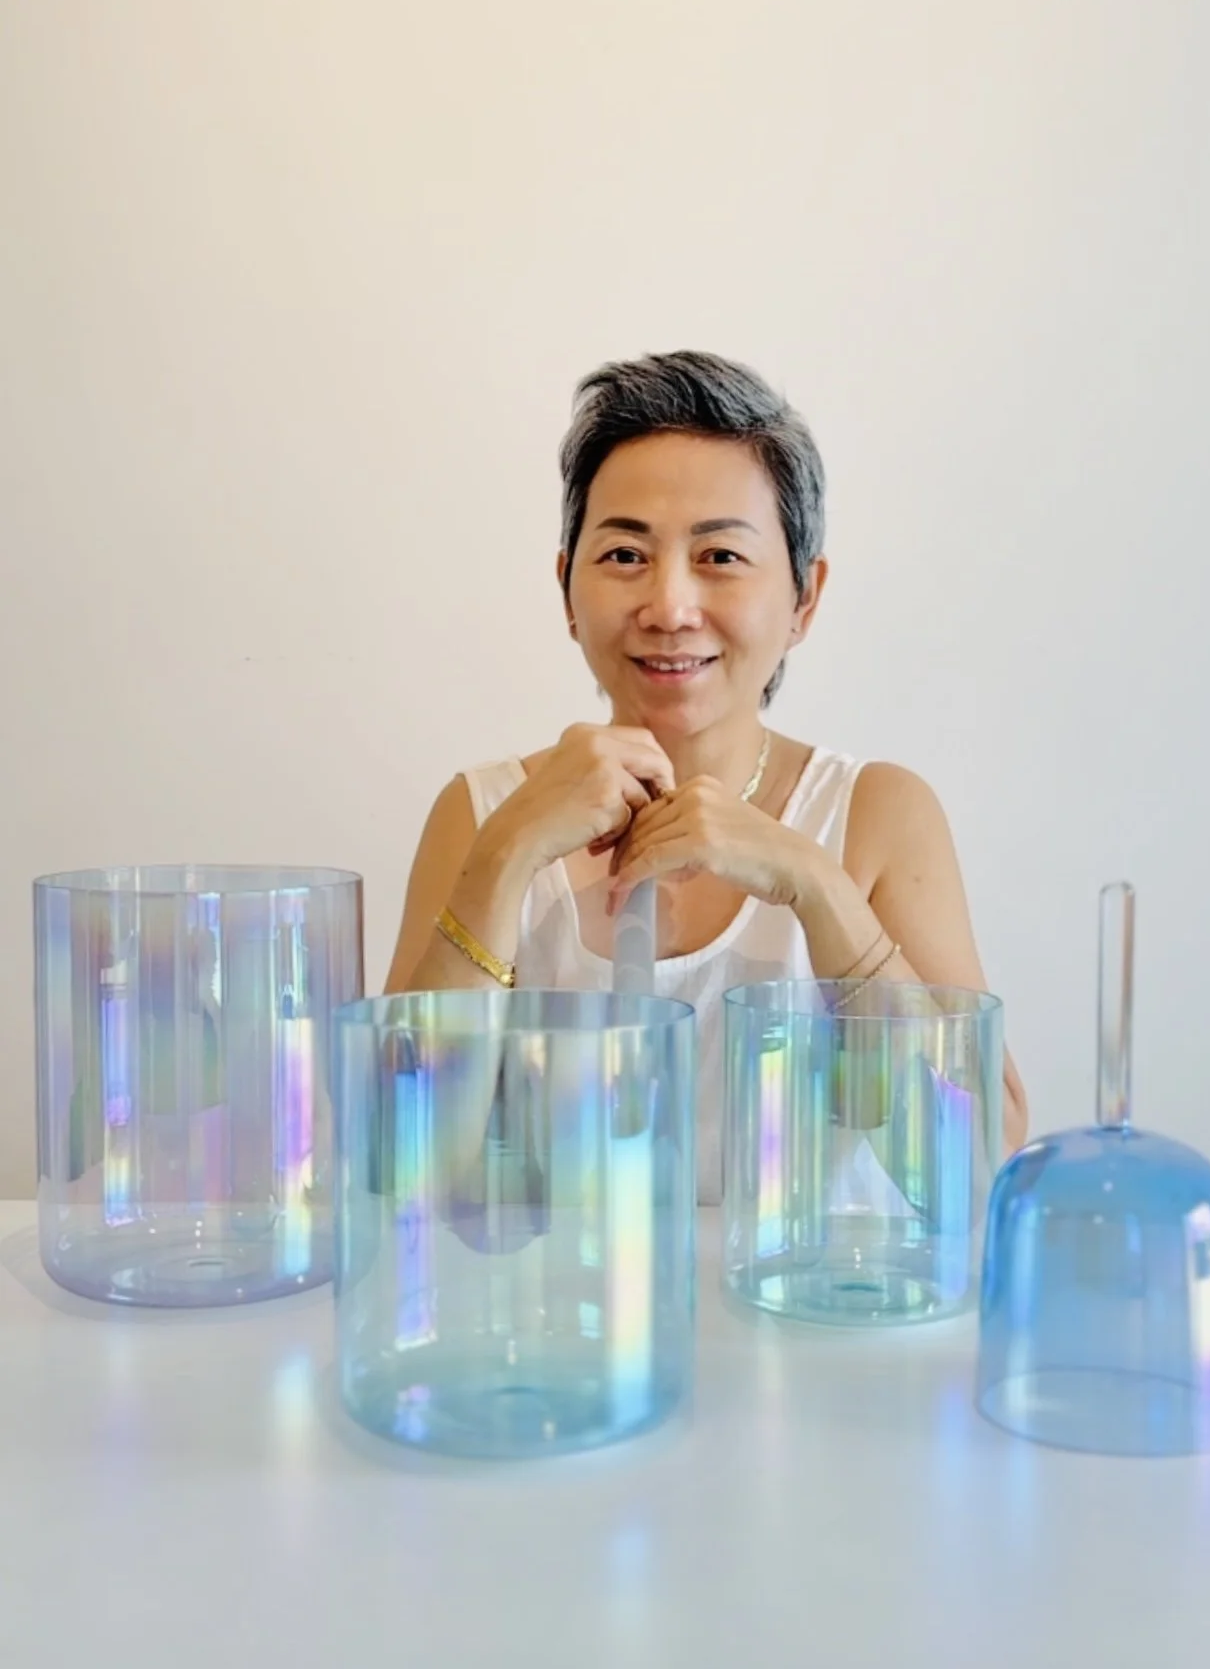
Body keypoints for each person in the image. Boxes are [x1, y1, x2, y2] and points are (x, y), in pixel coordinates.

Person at [387, 350, 1028, 1200]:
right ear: (567, 586)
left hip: (812, 1292)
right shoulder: (483, 811)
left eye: (720, 556)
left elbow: (976, 1169)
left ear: (803, 597)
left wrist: (815, 885)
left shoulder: (877, 812)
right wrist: (508, 853)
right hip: (567, 1292)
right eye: (624, 554)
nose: (669, 607)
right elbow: (396, 1164)